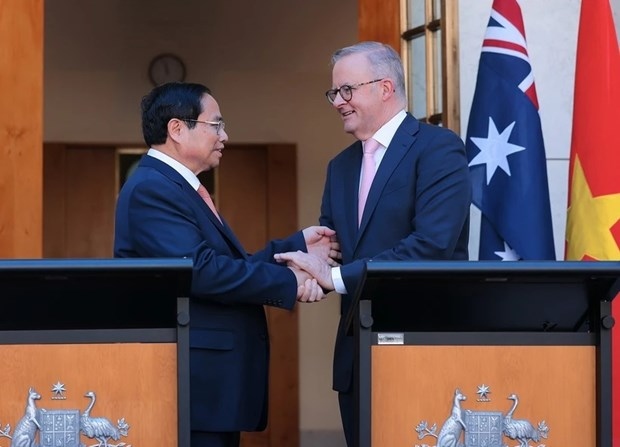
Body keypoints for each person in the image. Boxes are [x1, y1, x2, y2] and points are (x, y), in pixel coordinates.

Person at [114, 81, 340, 447]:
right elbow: (200, 271)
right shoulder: (152, 188)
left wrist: (296, 245)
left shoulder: (177, 186)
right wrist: (292, 281)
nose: (225, 136)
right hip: (192, 381)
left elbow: (222, 264)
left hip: (208, 383)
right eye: (216, 124)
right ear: (177, 129)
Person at [275, 41, 472, 447]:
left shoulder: (438, 149)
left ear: (385, 87)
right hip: (357, 355)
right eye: (334, 93)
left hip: (422, 347)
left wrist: (333, 278)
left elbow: (431, 246)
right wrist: (304, 268)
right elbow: (331, 250)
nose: (338, 102)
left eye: (347, 90)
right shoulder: (340, 166)